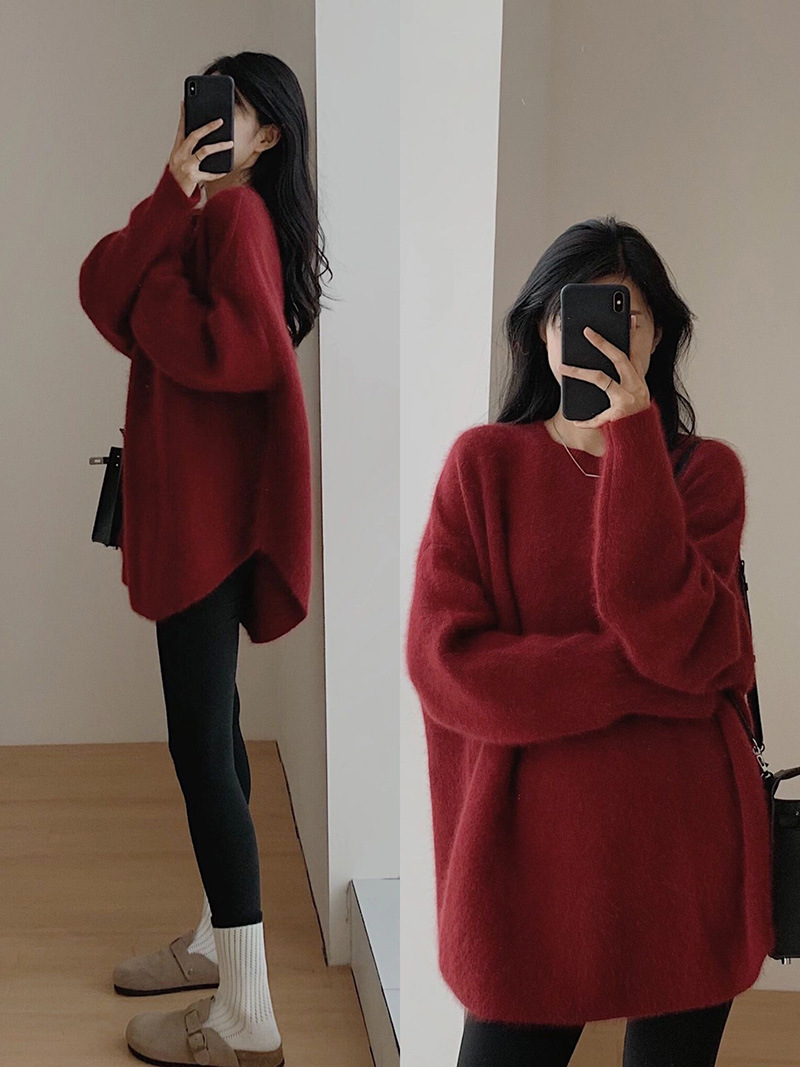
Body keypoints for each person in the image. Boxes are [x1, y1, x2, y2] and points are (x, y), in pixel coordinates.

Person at [404, 217, 774, 1067]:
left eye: (625, 315)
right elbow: (449, 668)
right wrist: (647, 681)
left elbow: (672, 633)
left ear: (657, 335)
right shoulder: (483, 467)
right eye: (575, 313)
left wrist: (634, 440)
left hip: (684, 859)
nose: (602, 335)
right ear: (541, 330)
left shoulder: (703, 473)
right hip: (525, 875)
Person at [79, 52, 330, 1067]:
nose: (210, 123)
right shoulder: (205, 213)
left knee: (200, 752)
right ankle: (210, 943)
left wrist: (150, 291)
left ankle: (247, 1018)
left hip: (205, 528)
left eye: (233, 110)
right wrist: (168, 193)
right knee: (216, 733)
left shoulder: (236, 222)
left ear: (266, 135)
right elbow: (100, 286)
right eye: (205, 106)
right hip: (204, 518)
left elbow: (238, 348)